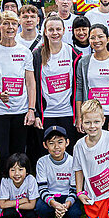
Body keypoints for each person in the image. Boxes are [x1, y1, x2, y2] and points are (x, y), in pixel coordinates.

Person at [0, 11, 37, 187]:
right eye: (6, 23)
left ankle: (19, 191)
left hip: (21, 112)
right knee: (3, 154)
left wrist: (31, 109)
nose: (10, 27)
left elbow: (30, 83)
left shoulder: (24, 51)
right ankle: (3, 193)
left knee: (19, 155)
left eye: (14, 24)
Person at [32, 15, 80, 152]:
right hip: (46, 113)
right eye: (51, 29)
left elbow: (79, 85)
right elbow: (33, 85)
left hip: (68, 112)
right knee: (46, 151)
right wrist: (36, 113)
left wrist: (78, 114)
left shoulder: (73, 53)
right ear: (45, 32)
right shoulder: (37, 55)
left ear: (64, 30)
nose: (55, 33)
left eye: (58, 29)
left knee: (69, 151)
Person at [76, 24, 109, 147]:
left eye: (100, 37)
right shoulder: (83, 62)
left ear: (108, 38)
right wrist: (80, 117)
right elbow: (79, 89)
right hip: (91, 118)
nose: (96, 41)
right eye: (92, 37)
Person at [34, 126, 82, 218]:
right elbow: (42, 188)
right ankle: (49, 217)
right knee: (40, 208)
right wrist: (54, 204)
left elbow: (74, 189)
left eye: (60, 142)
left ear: (67, 142)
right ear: (45, 145)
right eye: (51, 143)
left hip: (67, 195)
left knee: (75, 212)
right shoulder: (42, 162)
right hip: (51, 196)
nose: (56, 147)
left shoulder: (73, 161)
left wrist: (66, 205)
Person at [0, 153, 39, 218]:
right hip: (13, 208)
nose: (16, 174)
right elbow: (2, 205)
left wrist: (13, 205)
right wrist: (22, 200)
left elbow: (32, 205)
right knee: (8, 214)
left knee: (32, 216)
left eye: (20, 169)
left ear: (26, 171)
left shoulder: (31, 180)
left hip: (23, 208)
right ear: (8, 171)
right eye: (12, 170)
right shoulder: (5, 180)